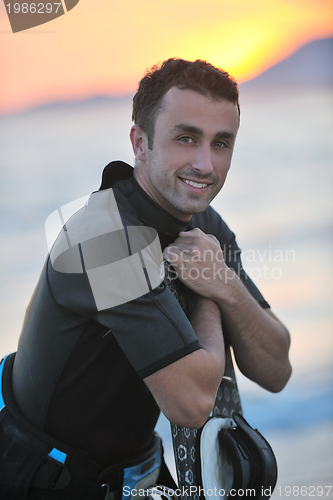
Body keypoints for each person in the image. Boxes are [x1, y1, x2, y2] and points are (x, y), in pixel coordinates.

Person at [0, 58, 291, 500]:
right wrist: (213, 291)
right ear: (140, 142)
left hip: (136, 473)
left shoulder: (203, 224)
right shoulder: (104, 238)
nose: (205, 164)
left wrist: (225, 285)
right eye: (186, 138)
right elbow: (192, 404)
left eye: (221, 143)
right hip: (39, 474)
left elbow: (276, 367)